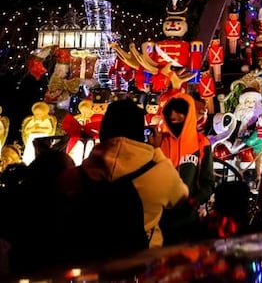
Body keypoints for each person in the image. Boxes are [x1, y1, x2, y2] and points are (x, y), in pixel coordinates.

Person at [57, 99, 189, 252]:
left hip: (90, 261)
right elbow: (181, 197)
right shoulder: (161, 171)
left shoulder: (73, 176)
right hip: (143, 260)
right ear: (140, 131)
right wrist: (156, 152)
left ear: (104, 129)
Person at [156, 93, 214, 244]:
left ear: (189, 113)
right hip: (159, 220)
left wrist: (194, 202)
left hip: (188, 222)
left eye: (179, 111)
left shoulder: (201, 142)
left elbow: (208, 182)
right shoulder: (159, 141)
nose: (173, 115)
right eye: (169, 111)